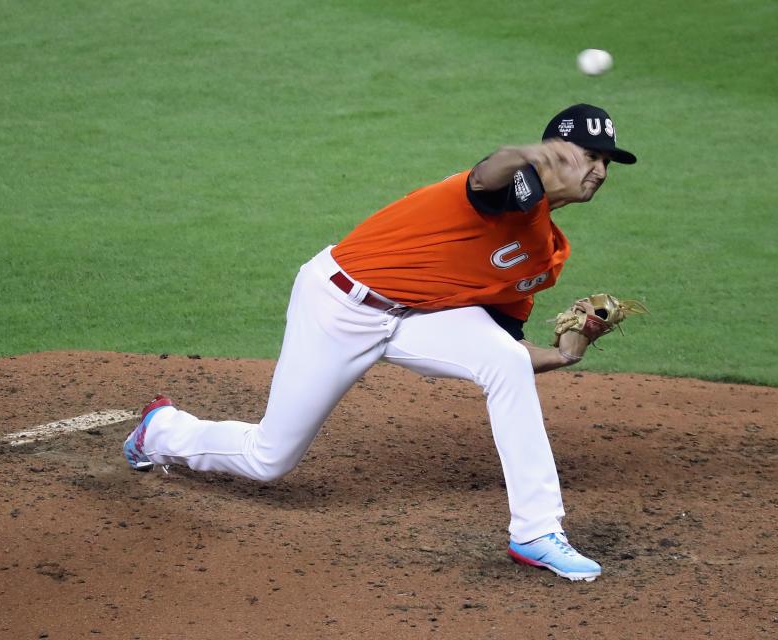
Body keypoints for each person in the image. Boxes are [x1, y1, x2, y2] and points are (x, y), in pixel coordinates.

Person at [124, 103, 637, 582]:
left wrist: (568, 354)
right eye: (590, 156)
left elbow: (507, 345)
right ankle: (161, 430)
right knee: (270, 459)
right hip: (338, 305)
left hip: (413, 319)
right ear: (554, 152)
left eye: (607, 162)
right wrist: (527, 152)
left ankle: (537, 531)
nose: (599, 170)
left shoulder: (544, 253)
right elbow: (486, 175)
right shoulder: (514, 186)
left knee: (504, 361)